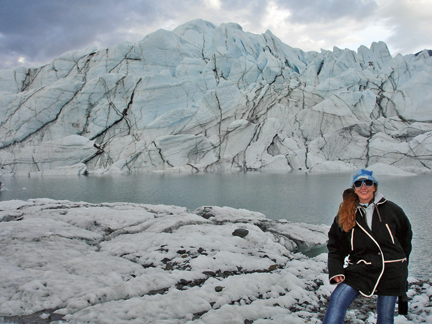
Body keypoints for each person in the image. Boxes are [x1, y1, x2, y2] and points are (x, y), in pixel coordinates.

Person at [323, 169, 412, 324]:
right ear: (354, 188)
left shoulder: (392, 210)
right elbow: (335, 245)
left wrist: (402, 263)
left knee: (385, 317)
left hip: (391, 269)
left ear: (374, 186)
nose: (363, 187)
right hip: (361, 268)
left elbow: (405, 238)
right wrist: (336, 269)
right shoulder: (345, 213)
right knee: (337, 299)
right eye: (358, 184)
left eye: (368, 182)